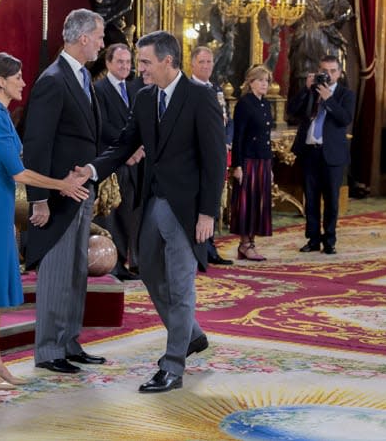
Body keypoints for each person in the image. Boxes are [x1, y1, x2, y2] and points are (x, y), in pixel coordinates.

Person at [74, 30, 226, 392]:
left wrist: (208, 213)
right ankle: (189, 334)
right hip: (152, 205)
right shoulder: (144, 99)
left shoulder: (200, 98)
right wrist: (93, 170)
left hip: (188, 211)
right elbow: (124, 144)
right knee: (152, 277)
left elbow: (215, 161)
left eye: (144, 62)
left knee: (180, 283)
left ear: (167, 61)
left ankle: (172, 367)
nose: (138, 68)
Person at [0, 53, 89, 389]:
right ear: (1, 81)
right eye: (16, 77)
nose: (23, 82)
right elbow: (17, 172)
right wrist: (61, 184)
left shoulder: (0, 113)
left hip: (1, 209)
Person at [22, 9, 106, 374]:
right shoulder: (53, 79)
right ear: (83, 37)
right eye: (100, 36)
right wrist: (38, 199)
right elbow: (37, 142)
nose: (102, 43)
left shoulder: (83, 76)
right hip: (57, 194)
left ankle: (69, 341)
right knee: (56, 272)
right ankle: (49, 350)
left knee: (76, 271)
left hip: (81, 190)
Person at [287, 55, 355, 255]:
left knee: (332, 200)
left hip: (332, 155)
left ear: (340, 73)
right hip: (310, 152)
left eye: (333, 71)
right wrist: (306, 89)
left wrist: (329, 99)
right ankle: (313, 239)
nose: (329, 74)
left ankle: (330, 241)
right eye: (325, 71)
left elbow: (345, 119)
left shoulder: (345, 94)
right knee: (311, 199)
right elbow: (292, 111)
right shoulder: (311, 90)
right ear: (319, 71)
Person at [92, 43, 144, 280]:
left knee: (127, 214)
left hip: (135, 164)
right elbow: (102, 127)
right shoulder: (98, 90)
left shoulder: (135, 89)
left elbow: (139, 124)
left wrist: (140, 147)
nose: (124, 66)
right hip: (113, 164)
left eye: (127, 62)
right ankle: (109, 264)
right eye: (120, 62)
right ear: (109, 63)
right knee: (110, 216)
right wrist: (128, 151)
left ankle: (122, 262)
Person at [189, 46, 234, 266]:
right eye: (202, 62)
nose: (206, 66)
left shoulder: (216, 89)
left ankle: (210, 247)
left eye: (209, 62)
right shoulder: (187, 89)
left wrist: (225, 140)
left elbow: (228, 120)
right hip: (197, 158)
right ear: (192, 64)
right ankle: (199, 249)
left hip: (218, 154)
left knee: (214, 200)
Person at [230, 65, 274, 261]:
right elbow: (238, 137)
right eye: (261, 80)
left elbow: (266, 136)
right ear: (251, 82)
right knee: (247, 203)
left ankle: (250, 243)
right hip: (247, 161)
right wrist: (237, 165)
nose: (265, 84)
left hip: (263, 161)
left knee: (259, 202)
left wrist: (270, 167)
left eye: (267, 81)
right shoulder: (244, 104)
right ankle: (245, 244)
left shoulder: (265, 104)